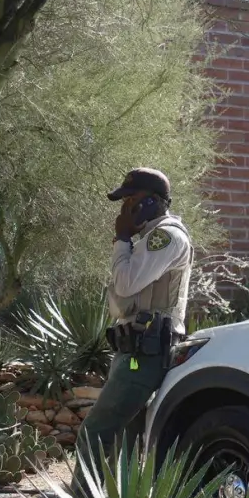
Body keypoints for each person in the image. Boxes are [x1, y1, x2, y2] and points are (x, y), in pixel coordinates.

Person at [76, 167, 192, 460]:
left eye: (130, 198)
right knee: (125, 439)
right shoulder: (149, 238)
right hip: (135, 349)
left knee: (96, 430)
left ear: (151, 202)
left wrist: (121, 239)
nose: (125, 207)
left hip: (145, 354)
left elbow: (126, 284)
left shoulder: (165, 237)